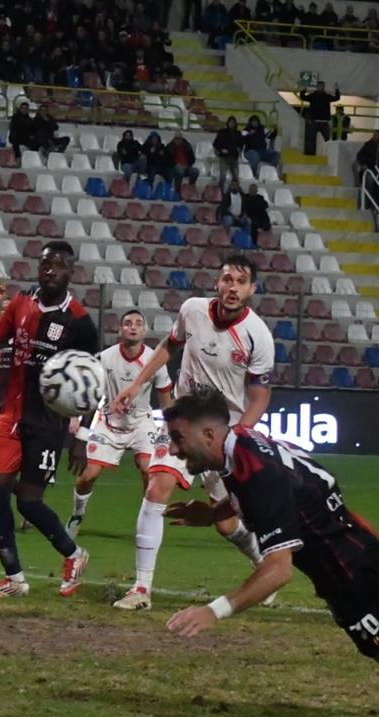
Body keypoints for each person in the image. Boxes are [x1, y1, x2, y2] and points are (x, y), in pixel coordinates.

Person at [158, 389, 379, 717]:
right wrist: (214, 513)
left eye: (178, 438)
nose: (173, 449)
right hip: (352, 542)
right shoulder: (243, 443)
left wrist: (213, 610)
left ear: (208, 434)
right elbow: (273, 491)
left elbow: (278, 572)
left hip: (346, 570)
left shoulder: (258, 473)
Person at [109, 255, 274, 611]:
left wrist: (239, 437)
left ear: (252, 290)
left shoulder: (258, 336)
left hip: (222, 436)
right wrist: (137, 384)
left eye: (241, 281)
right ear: (217, 282)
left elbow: (260, 395)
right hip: (182, 425)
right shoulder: (192, 310)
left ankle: (264, 565)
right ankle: (141, 589)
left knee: (227, 523)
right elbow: (169, 346)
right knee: (157, 486)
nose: (232, 287)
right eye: (227, 279)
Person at [0, 242, 100, 599]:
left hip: (47, 423)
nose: (50, 269)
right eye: (45, 263)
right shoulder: (22, 302)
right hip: (10, 413)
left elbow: (90, 383)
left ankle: (74, 554)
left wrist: (81, 436)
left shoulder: (80, 322)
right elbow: (0, 334)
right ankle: (15, 578)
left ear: (72, 271)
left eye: (58, 264)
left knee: (28, 502)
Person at [66, 310, 174, 538]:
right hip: (109, 423)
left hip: (142, 424)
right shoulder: (105, 357)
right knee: (88, 476)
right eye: (127, 323)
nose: (133, 327)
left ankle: (147, 524)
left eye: (138, 323)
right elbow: (92, 395)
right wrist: (80, 428)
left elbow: (166, 400)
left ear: (144, 331)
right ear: (120, 330)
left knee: (148, 471)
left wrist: (170, 431)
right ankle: (77, 513)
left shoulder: (155, 361)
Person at [297, 80, 340, 155]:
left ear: (323, 87)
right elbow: (302, 97)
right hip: (314, 121)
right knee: (310, 139)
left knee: (327, 140)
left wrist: (336, 90)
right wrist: (303, 90)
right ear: (317, 87)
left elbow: (336, 98)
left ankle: (329, 155)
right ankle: (309, 155)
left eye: (321, 87)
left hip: (323, 122)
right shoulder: (313, 96)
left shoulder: (326, 96)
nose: (320, 88)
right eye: (319, 86)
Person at [212, 116, 243, 189]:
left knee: (236, 177)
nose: (231, 124)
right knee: (223, 176)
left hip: (234, 156)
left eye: (233, 122)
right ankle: (220, 192)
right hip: (224, 157)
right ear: (228, 123)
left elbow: (241, 144)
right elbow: (216, 143)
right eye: (230, 122)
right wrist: (221, 149)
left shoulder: (238, 133)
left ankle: (235, 192)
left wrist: (239, 149)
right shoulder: (222, 132)